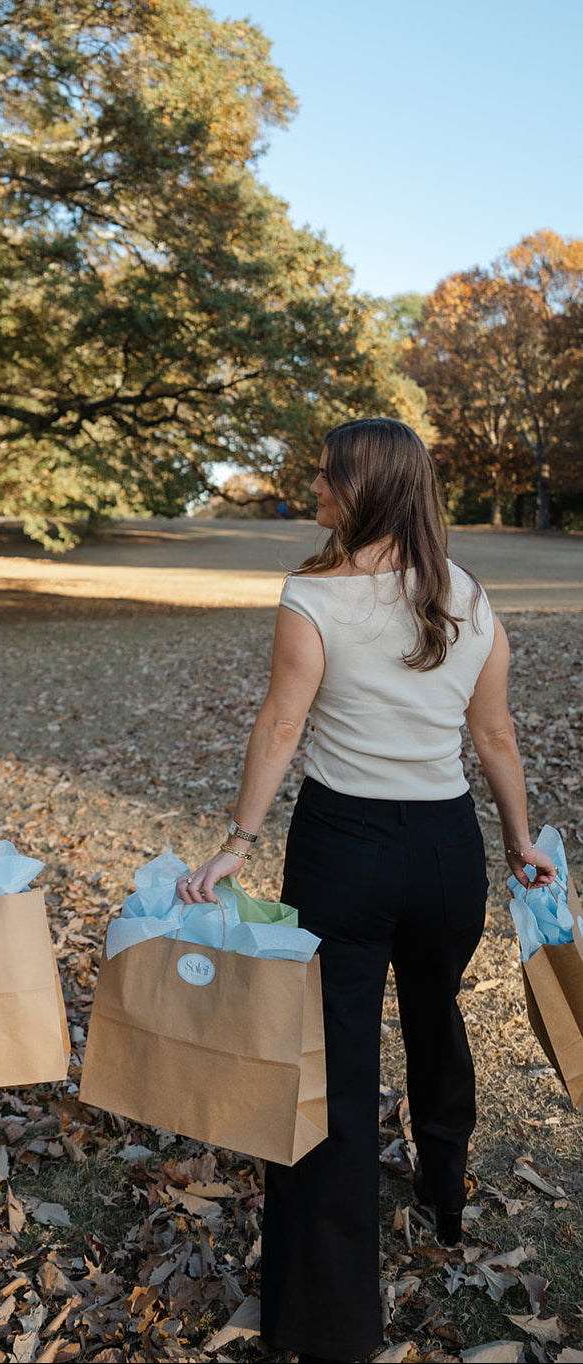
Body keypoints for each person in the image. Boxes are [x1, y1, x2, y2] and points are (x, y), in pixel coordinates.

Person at [177, 417, 556, 1363]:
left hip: (343, 846)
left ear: (370, 490)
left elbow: (280, 723)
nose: (315, 488)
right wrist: (517, 839)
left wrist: (236, 842)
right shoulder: (469, 596)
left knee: (331, 1064)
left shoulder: (312, 595)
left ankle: (327, 1320)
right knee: (435, 1012)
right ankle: (446, 1190)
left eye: (328, 476)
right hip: (444, 852)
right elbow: (497, 735)